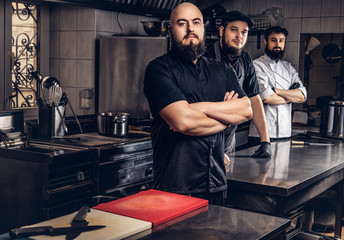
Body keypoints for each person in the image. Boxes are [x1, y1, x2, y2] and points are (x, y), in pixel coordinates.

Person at [144, 2, 252, 206]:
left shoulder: (222, 70)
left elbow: (246, 110)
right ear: (171, 30)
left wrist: (198, 108)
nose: (190, 29)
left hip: (216, 184)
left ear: (203, 28)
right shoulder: (158, 69)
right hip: (174, 187)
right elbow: (184, 122)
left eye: (196, 22)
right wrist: (226, 119)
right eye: (182, 23)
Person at [206, 11, 271, 158]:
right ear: (222, 31)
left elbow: (254, 97)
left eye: (244, 32)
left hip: (229, 140)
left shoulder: (245, 59)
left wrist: (265, 141)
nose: (239, 36)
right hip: (204, 138)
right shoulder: (206, 56)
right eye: (234, 30)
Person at [250, 26, 307, 140]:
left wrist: (276, 91)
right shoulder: (256, 65)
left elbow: (302, 95)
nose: (277, 44)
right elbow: (267, 98)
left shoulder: (288, 68)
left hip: (285, 133)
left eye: (281, 40)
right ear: (266, 42)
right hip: (261, 135)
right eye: (273, 40)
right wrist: (290, 97)